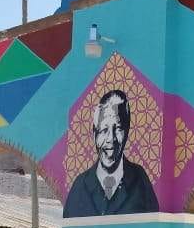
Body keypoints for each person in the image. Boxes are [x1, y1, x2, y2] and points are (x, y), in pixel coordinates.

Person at [64, 89, 159, 217]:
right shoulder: (80, 186)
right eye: (104, 130)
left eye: (118, 128)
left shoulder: (140, 180)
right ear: (94, 134)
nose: (111, 139)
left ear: (126, 131)